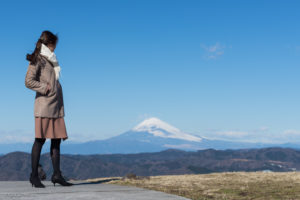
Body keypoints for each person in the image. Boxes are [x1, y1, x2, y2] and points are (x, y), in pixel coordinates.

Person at [25, 30, 73, 188]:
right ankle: (33, 176)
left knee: (56, 141)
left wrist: (53, 89)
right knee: (39, 140)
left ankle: (57, 175)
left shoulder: (52, 59)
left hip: (57, 107)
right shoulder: (38, 58)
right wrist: (46, 88)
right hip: (45, 106)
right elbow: (28, 81)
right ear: (48, 43)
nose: (55, 48)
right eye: (54, 45)